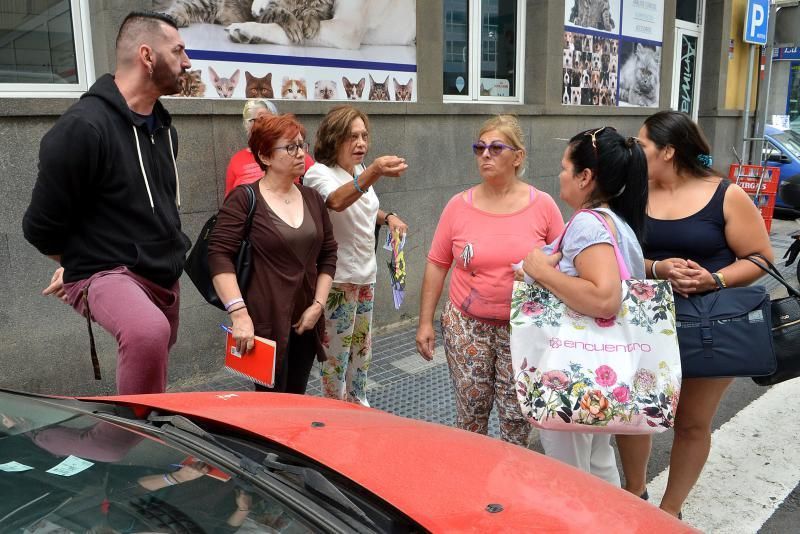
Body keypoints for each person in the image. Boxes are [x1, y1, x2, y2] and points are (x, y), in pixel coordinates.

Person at [21, 11, 192, 394]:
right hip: (107, 271)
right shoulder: (83, 129)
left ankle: (144, 437)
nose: (187, 62)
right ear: (147, 55)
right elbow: (39, 227)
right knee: (147, 333)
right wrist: (78, 264)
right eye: (178, 50)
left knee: (154, 366)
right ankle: (108, 446)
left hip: (161, 274)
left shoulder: (164, 130)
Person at [615, 110, 774, 518]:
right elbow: (615, 252)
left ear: (668, 151)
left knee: (691, 423)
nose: (635, 149)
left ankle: (670, 511)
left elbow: (759, 257)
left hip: (710, 327)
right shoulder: (632, 191)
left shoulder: (726, 194)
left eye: (643, 143)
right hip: (645, 324)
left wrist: (714, 279)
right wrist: (657, 268)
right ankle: (635, 495)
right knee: (637, 413)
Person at [416, 115, 564, 446]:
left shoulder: (543, 206)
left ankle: (511, 486)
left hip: (523, 327)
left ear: (518, 156)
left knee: (517, 417)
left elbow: (565, 262)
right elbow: (438, 264)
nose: (485, 154)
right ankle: (473, 483)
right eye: (479, 148)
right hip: (466, 326)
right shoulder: (458, 206)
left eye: (496, 148)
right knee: (470, 413)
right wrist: (424, 322)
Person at [518, 126, 649, 484]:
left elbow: (604, 298)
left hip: (572, 369)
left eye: (564, 167)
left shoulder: (587, 226)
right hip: (600, 365)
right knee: (598, 460)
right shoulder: (615, 222)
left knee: (570, 475)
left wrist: (540, 272)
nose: (559, 175)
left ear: (585, 176)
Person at [209, 114, 337, 394]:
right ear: (265, 156)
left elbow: (328, 254)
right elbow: (219, 256)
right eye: (290, 147)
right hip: (264, 323)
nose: (301, 153)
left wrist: (318, 304)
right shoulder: (245, 199)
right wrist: (239, 314)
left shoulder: (312, 198)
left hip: (306, 320)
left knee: (296, 396)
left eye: (302, 145)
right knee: (270, 403)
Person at [304, 105, 408, 406]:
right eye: (352, 136)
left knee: (362, 350)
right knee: (336, 355)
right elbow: (336, 201)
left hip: (366, 275)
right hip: (338, 280)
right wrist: (375, 171)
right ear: (334, 138)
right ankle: (333, 409)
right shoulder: (318, 173)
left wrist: (388, 217)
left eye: (364, 135)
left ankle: (358, 404)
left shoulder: (359, 171)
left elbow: (366, 206)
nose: (361, 143)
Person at [224, 99, 315, 195]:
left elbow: (317, 183)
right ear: (247, 124)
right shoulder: (237, 160)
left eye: (272, 119)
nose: (266, 123)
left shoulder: (298, 154)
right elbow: (229, 197)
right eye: (261, 119)